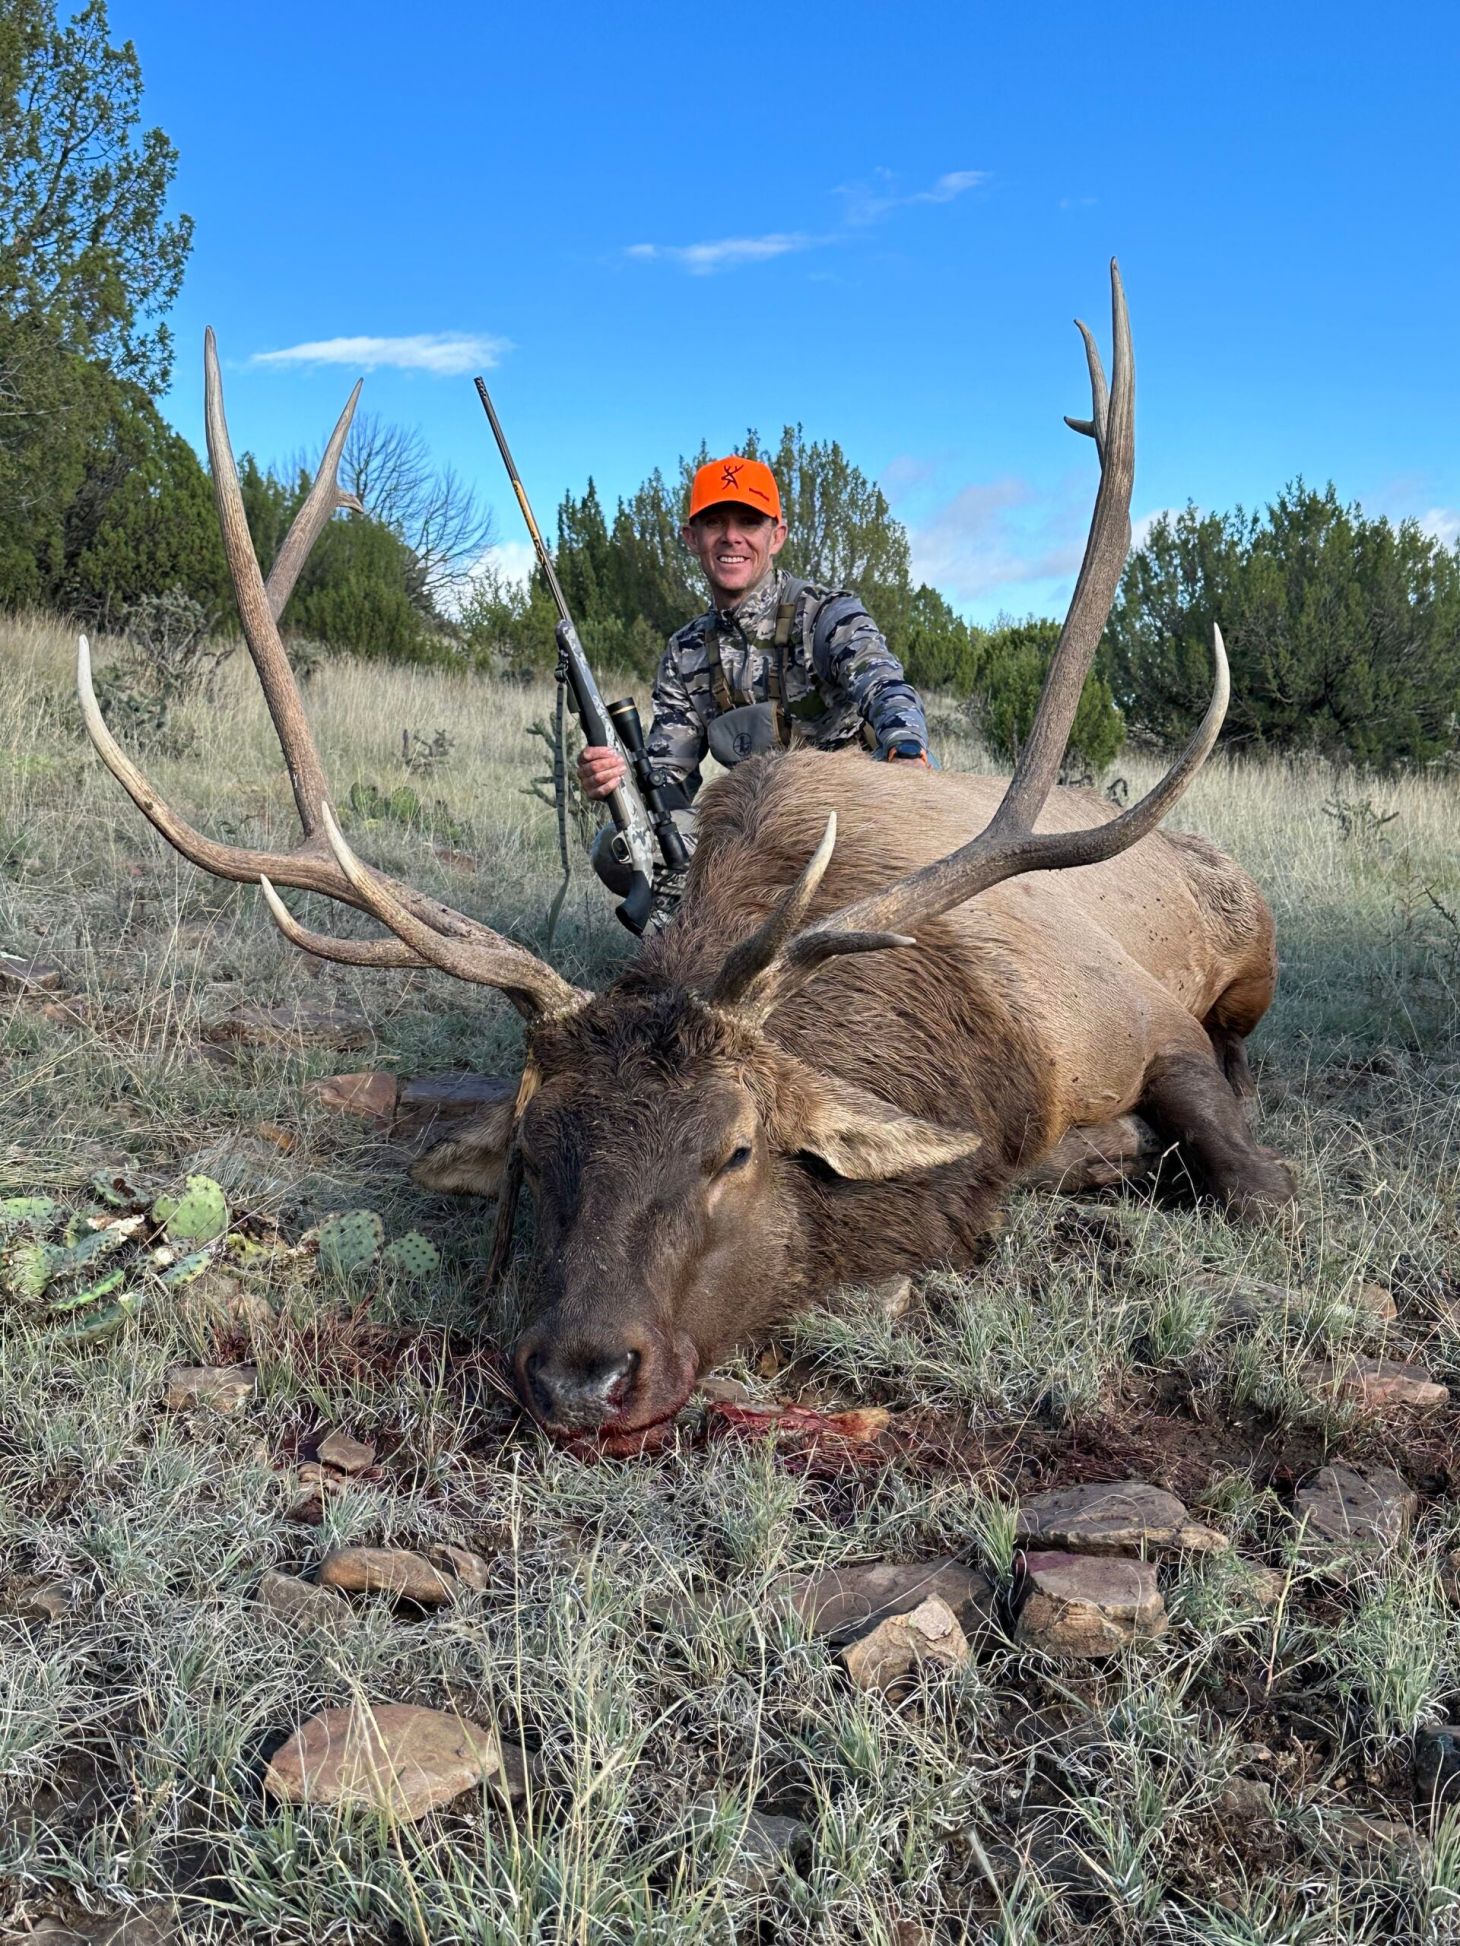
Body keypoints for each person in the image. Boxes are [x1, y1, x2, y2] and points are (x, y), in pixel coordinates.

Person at [578, 454, 931, 922]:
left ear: (776, 535)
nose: (731, 537)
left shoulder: (827, 614)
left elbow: (886, 687)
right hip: (755, 829)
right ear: (691, 538)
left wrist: (905, 747)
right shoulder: (685, 652)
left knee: (929, 855)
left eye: (749, 521)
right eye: (714, 523)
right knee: (621, 847)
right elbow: (669, 786)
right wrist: (618, 783)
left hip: (856, 813)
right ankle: (699, 961)